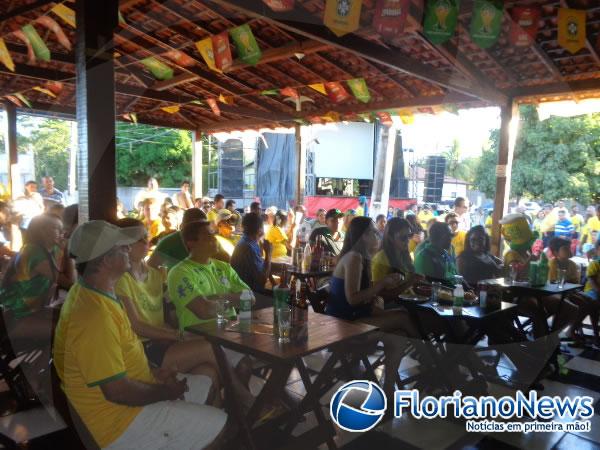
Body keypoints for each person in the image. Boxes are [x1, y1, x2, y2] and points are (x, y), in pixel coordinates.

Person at [54, 220, 228, 449]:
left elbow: (115, 364)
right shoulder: (93, 315)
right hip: (120, 422)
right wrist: (164, 391)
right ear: (106, 260)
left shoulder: (97, 294)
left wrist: (154, 373)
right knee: (223, 426)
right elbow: (117, 392)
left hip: (131, 400)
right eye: (123, 247)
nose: (129, 250)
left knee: (208, 383)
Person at [114, 219, 223, 386]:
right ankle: (246, 401)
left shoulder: (156, 275)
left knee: (208, 373)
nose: (146, 242)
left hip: (162, 343)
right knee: (210, 349)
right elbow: (136, 325)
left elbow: (169, 313)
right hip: (141, 349)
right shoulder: (120, 279)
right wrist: (178, 335)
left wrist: (182, 333)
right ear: (123, 244)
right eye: (139, 239)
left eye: (146, 237)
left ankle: (230, 408)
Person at [326, 217, 418, 397]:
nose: (377, 235)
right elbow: (352, 299)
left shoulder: (361, 257)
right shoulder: (354, 258)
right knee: (403, 317)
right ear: (362, 236)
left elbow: (360, 297)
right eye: (373, 232)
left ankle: (389, 389)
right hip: (343, 325)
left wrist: (377, 295)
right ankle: (435, 362)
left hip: (353, 316)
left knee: (398, 335)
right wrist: (382, 283)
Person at [1, 213, 74, 391]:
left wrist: (64, 252)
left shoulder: (52, 250)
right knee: (65, 332)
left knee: (69, 323)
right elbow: (67, 282)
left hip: (31, 311)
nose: (62, 232)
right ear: (42, 232)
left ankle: (32, 376)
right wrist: (69, 251)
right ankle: (31, 380)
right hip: (11, 316)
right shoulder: (33, 252)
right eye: (57, 229)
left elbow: (68, 279)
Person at [548, 237, 599, 345]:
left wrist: (566, 282)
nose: (569, 251)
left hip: (570, 291)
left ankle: (591, 333)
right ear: (556, 252)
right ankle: (571, 331)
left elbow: (575, 281)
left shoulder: (572, 264)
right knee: (584, 305)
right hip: (557, 294)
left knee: (593, 303)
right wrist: (567, 282)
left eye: (569, 248)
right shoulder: (553, 263)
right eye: (565, 249)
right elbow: (553, 282)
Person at [231, 212, 272, 293]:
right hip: (249, 295)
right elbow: (262, 280)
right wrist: (268, 253)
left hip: (243, 290)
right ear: (260, 229)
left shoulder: (247, 241)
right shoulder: (249, 247)